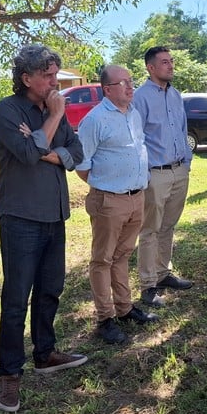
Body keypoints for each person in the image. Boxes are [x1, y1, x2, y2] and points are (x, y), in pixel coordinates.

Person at [0, 44, 87, 413]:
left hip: (54, 214)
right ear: (26, 78)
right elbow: (28, 155)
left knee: (51, 289)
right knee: (16, 298)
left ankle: (45, 354)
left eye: (55, 75)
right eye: (47, 76)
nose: (54, 82)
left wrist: (45, 145)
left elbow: (75, 152)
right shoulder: (6, 110)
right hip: (20, 217)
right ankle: (9, 373)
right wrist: (52, 122)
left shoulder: (51, 110)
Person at [76, 65, 159, 345]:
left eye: (131, 81)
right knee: (102, 259)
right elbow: (82, 165)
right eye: (123, 82)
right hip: (109, 200)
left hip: (137, 197)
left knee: (122, 255)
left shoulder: (133, 114)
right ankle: (104, 319)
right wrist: (106, 187)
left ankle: (124, 308)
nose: (130, 86)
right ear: (107, 89)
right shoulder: (94, 120)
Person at [132, 46, 194, 308]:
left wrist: (187, 163)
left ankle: (163, 273)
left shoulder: (176, 95)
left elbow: (182, 130)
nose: (170, 66)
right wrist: (145, 172)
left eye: (171, 61)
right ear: (151, 68)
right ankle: (148, 285)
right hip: (155, 174)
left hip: (179, 170)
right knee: (150, 230)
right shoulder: (140, 97)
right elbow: (137, 139)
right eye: (165, 62)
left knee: (168, 226)